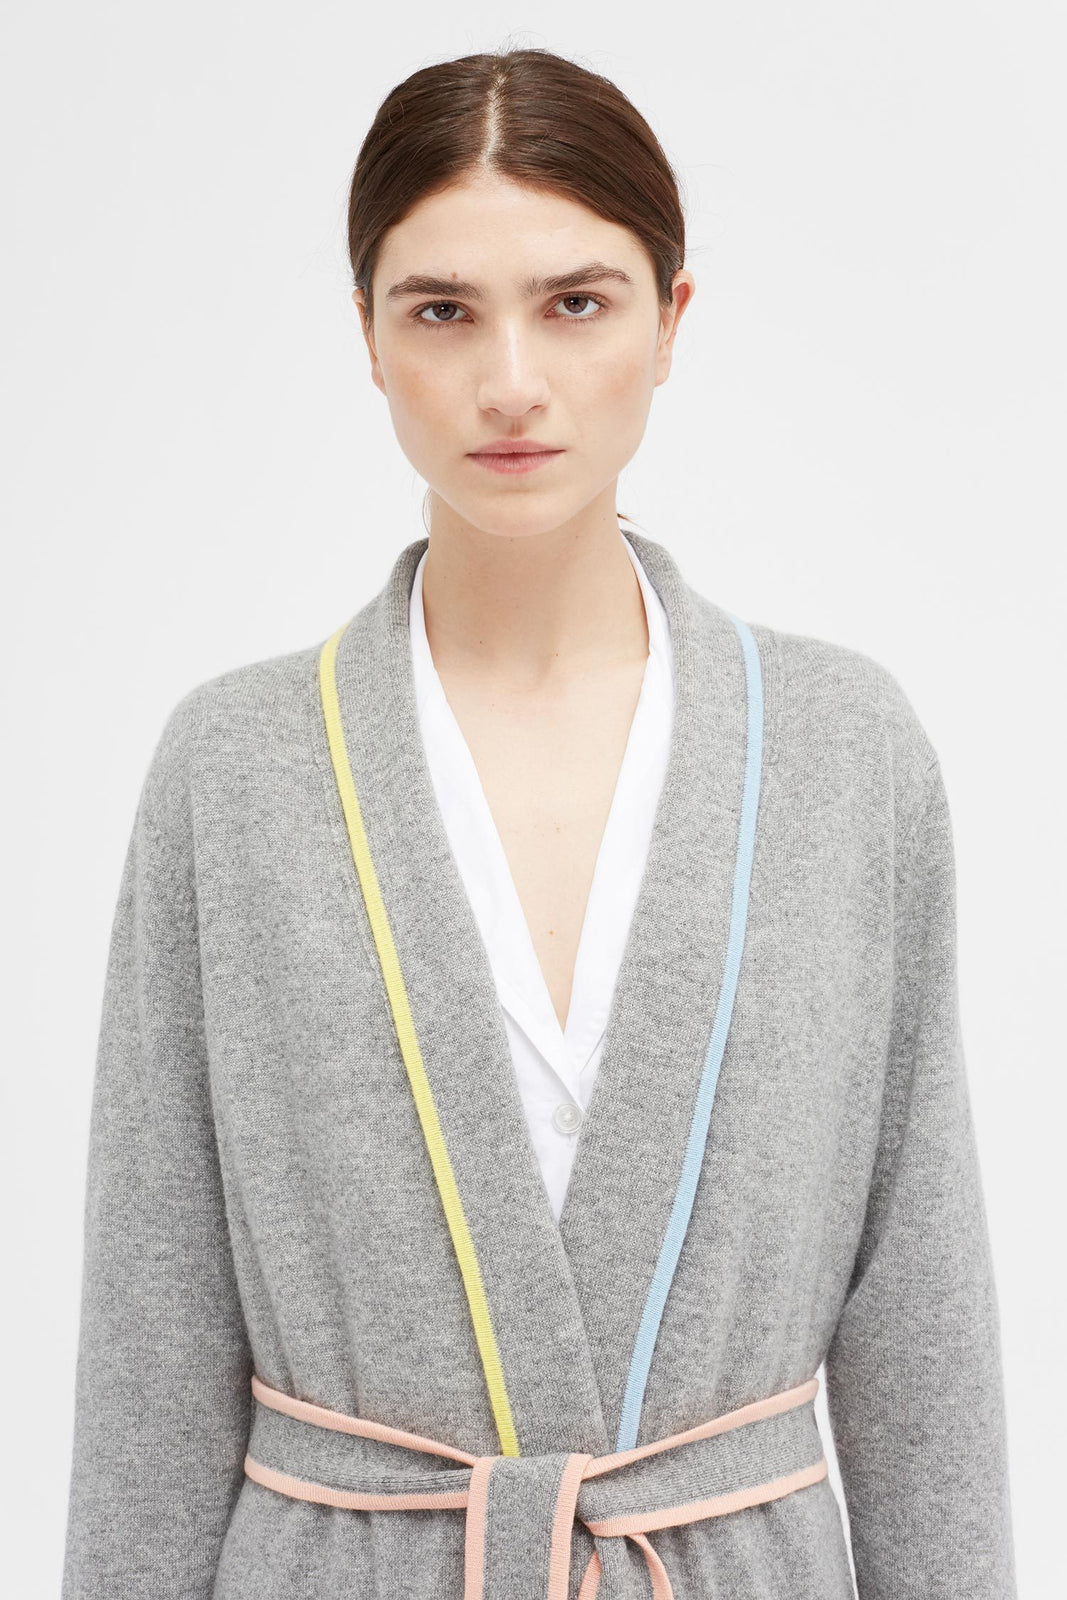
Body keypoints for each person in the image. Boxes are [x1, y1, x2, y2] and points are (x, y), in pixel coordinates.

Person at [61, 45, 1017, 1600]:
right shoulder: (232, 771)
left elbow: (924, 1340)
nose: (510, 379)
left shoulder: (848, 754)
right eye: (441, 310)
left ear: (671, 320)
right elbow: (149, 1356)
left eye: (577, 302)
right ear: (367, 337)